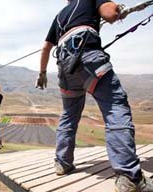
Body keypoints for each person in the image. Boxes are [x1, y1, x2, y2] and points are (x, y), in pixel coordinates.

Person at [36, 0, 153, 191]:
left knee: (69, 115)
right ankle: (129, 177)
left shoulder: (59, 17)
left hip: (65, 69)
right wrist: (117, 8)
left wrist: (42, 73)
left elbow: (46, 48)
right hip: (88, 58)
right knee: (115, 107)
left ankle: (62, 163)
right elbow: (110, 14)